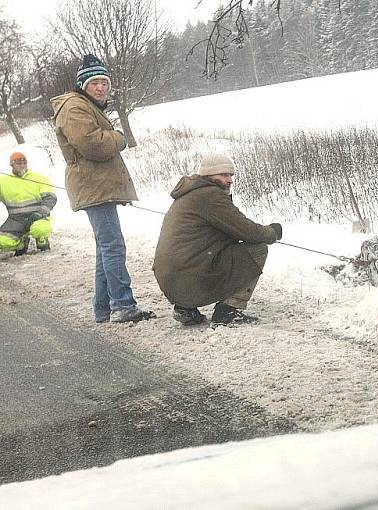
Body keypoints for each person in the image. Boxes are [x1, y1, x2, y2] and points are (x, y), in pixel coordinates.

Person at [50, 54, 153, 324]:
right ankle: (122, 305)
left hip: (95, 185)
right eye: (95, 82)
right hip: (93, 186)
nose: (101, 88)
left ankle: (104, 308)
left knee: (106, 247)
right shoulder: (75, 107)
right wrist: (119, 137)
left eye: (104, 82)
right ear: (82, 84)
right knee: (113, 246)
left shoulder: (83, 105)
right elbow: (92, 144)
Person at [153, 153, 282, 327]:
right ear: (209, 176)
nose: (230, 179)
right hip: (189, 277)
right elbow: (248, 231)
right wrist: (272, 232)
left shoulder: (189, 194)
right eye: (223, 175)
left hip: (170, 278)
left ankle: (186, 307)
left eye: (231, 175)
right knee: (257, 249)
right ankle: (228, 310)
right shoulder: (210, 195)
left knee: (224, 246)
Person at [0, 152, 56, 255]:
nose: (22, 165)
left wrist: (41, 213)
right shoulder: (2, 182)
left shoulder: (40, 178)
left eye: (24, 163)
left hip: (38, 216)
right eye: (18, 163)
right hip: (16, 220)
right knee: (2, 241)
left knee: (40, 229)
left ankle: (41, 239)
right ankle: (21, 242)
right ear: (12, 165)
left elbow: (50, 198)